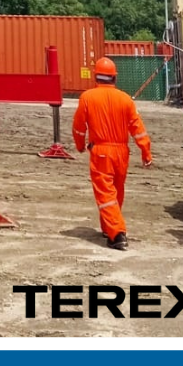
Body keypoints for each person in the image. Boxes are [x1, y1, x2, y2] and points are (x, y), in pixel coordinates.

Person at [71, 56, 153, 251]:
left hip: (101, 152)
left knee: (106, 194)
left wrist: (80, 145)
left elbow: (79, 127)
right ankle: (108, 228)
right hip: (121, 152)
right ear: (114, 78)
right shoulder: (125, 99)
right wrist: (145, 151)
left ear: (96, 77)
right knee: (116, 193)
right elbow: (138, 128)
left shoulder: (87, 97)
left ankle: (117, 234)